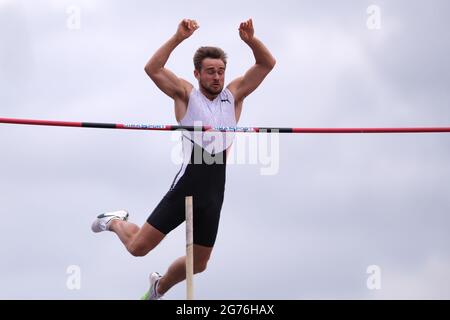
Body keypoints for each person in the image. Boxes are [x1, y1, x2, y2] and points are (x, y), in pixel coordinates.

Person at [91, 18, 275, 299]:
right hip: (188, 184)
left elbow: (266, 64)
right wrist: (178, 38)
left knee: (199, 264)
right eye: (210, 72)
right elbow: (152, 69)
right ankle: (114, 221)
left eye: (221, 71)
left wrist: (251, 41)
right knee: (139, 248)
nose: (216, 77)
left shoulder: (234, 95)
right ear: (197, 73)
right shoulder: (186, 94)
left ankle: (158, 287)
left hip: (215, 190)